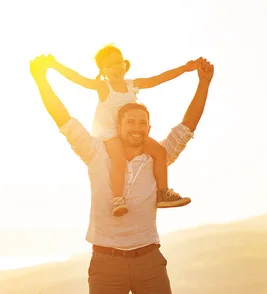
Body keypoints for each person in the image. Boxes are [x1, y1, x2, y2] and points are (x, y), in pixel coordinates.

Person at [29, 53, 214, 294]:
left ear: (149, 129)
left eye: (141, 123)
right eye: (130, 123)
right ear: (118, 127)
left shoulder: (157, 157)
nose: (136, 129)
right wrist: (41, 80)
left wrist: (204, 83)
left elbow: (187, 126)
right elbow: (64, 120)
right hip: (106, 263)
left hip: (149, 262)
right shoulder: (96, 153)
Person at [45, 44, 199, 217]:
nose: (116, 67)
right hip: (110, 134)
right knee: (118, 159)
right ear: (102, 71)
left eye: (118, 62)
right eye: (109, 65)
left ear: (125, 64)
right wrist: (55, 65)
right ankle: (117, 199)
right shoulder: (104, 87)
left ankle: (163, 193)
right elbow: (78, 79)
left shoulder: (132, 85)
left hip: (131, 133)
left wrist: (185, 69)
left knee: (160, 152)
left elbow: (159, 79)